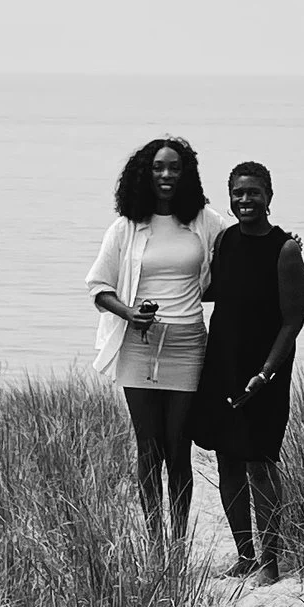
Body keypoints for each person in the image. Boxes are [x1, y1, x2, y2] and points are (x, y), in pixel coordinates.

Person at [86, 137, 224, 556]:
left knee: (177, 446)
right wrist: (129, 314)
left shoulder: (205, 221)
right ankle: (155, 541)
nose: (166, 175)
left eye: (175, 168)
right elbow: (98, 287)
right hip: (139, 345)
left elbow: (238, 255)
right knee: (148, 447)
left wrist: (283, 246)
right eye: (159, 168)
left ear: (186, 175)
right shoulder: (125, 226)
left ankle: (178, 541)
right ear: (146, 174)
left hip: (187, 344)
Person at [196, 160, 304, 583]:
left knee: (260, 463)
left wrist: (265, 374)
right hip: (223, 363)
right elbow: (212, 290)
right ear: (230, 198)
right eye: (239, 193)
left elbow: (292, 322)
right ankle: (244, 556)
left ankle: (270, 561)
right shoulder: (224, 242)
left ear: (269, 197)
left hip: (266, 374)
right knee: (227, 461)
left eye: (254, 192)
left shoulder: (286, 250)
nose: (246, 200)